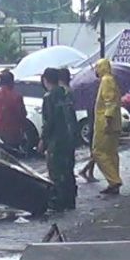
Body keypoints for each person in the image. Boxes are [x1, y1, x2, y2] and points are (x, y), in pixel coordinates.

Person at [39, 67, 78, 211]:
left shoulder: (49, 97)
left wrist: (43, 140)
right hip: (69, 138)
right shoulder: (66, 94)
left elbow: (49, 121)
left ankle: (60, 200)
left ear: (45, 80)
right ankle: (70, 199)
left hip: (57, 139)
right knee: (68, 169)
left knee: (56, 170)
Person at [87, 59, 123, 195]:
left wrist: (107, 121)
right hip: (113, 123)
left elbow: (110, 102)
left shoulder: (106, 81)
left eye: (96, 67)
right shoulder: (110, 80)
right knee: (111, 154)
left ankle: (114, 180)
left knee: (98, 152)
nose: (95, 70)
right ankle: (114, 183)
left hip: (105, 124)